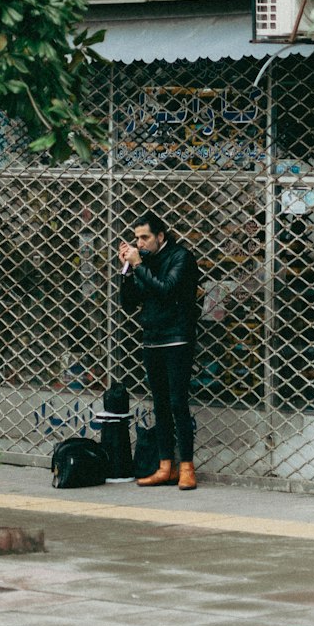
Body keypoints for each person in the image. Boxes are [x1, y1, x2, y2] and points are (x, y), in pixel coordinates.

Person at [118, 210, 199, 491]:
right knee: (160, 405)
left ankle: (187, 467)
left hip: (177, 338)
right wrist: (126, 272)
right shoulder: (144, 261)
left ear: (160, 236)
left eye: (145, 237)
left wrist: (139, 265)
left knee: (178, 403)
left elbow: (167, 290)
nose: (139, 243)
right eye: (137, 238)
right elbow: (129, 303)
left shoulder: (181, 257)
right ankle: (166, 465)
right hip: (151, 339)